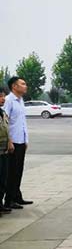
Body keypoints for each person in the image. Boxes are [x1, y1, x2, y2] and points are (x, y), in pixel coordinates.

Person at [4, 77, 32, 209]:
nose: (25, 86)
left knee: (18, 171)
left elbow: (22, 122)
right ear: (14, 86)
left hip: (21, 140)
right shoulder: (9, 100)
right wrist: (9, 141)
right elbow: (5, 122)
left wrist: (26, 140)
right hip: (13, 142)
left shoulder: (20, 101)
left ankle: (17, 196)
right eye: (23, 84)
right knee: (11, 172)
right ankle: (8, 200)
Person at [0, 88, 11, 214]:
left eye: (3, 96)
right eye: (0, 96)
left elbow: (6, 129)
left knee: (3, 179)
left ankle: (0, 204)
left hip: (4, 151)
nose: (3, 99)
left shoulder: (3, 113)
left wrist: (10, 142)